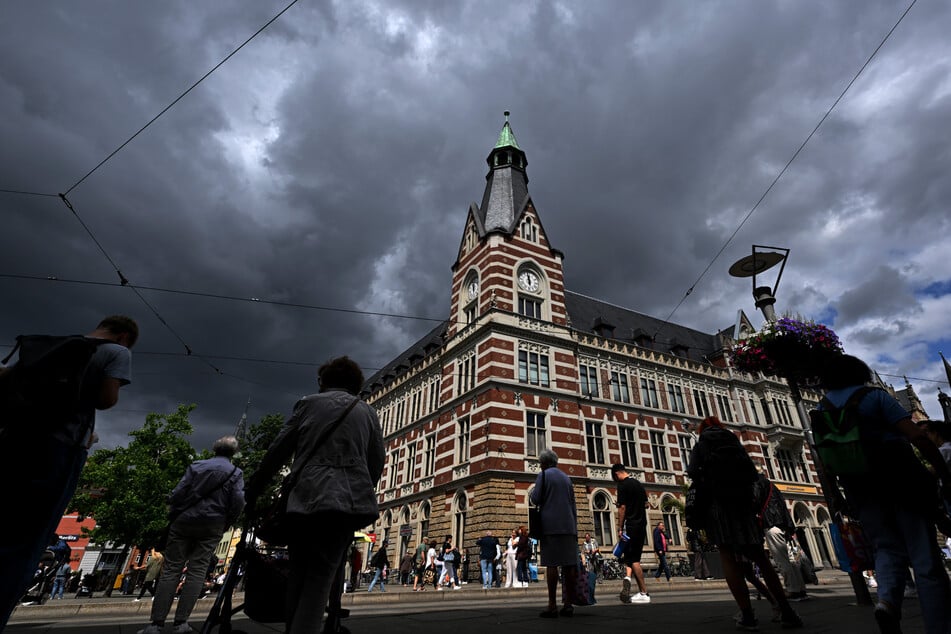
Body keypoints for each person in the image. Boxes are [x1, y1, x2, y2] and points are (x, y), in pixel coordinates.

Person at [0, 315, 138, 629]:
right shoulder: (116, 351)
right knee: (26, 544)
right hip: (59, 449)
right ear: (124, 336)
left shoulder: (54, 345)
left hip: (15, 442)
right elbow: (106, 400)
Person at [245, 357, 384, 634]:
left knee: (298, 573)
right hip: (344, 505)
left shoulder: (308, 403)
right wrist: (360, 487)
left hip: (305, 499)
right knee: (320, 580)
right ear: (356, 384)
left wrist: (256, 486)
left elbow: (278, 450)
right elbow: (376, 461)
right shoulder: (367, 412)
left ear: (324, 381)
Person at [817, 355, 951, 634]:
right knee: (924, 556)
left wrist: (837, 496)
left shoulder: (821, 407)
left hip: (859, 486)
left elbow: (824, 456)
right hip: (899, 476)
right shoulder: (874, 397)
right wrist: (941, 471)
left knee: (885, 548)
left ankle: (887, 602)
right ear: (859, 372)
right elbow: (917, 436)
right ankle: (939, 625)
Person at [686, 416, 802, 630]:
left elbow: (692, 472)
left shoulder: (702, 443)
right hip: (743, 504)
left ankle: (748, 615)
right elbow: (751, 473)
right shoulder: (733, 441)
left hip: (718, 506)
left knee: (728, 557)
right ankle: (786, 610)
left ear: (702, 429)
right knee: (761, 559)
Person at [138, 436, 244, 634]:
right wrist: (227, 521)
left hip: (185, 520)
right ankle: (182, 623)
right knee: (197, 571)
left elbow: (178, 492)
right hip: (213, 523)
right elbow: (238, 501)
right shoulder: (235, 473)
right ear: (234, 453)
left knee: (171, 570)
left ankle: (155, 624)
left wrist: (174, 510)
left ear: (214, 449)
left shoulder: (197, 466)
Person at [529, 449, 579, 618]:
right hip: (569, 525)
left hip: (550, 525)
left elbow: (535, 499)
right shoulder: (566, 477)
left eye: (540, 463)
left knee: (552, 565)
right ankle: (568, 604)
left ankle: (552, 605)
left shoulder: (543, 475)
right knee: (569, 565)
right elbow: (573, 503)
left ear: (544, 463)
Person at [755, 472, 808, 601]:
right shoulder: (772, 486)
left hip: (772, 525)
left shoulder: (758, 484)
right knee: (792, 560)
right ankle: (800, 589)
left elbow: (754, 502)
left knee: (782, 560)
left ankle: (792, 590)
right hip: (783, 525)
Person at [611, 462, 650, 604]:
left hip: (631, 525)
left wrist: (620, 527)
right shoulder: (638, 484)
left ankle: (644, 593)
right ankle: (627, 578)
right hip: (642, 524)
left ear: (616, 474)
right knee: (631, 555)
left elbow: (622, 508)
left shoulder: (622, 485)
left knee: (634, 560)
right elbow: (646, 504)